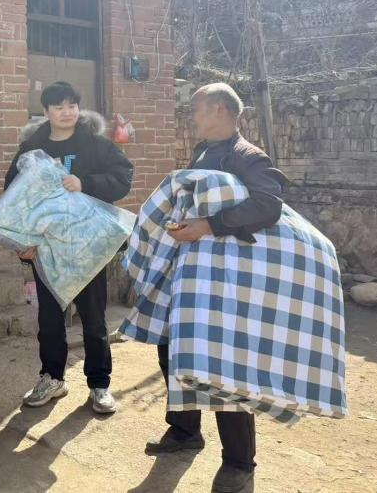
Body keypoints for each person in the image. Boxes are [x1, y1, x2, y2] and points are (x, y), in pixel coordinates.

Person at [146, 82, 287, 493]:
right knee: (173, 347)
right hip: (191, 272)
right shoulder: (204, 151)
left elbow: (268, 205)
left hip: (227, 280)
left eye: (198, 109)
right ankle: (185, 430)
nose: (193, 117)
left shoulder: (248, 156)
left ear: (221, 109)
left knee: (225, 363)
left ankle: (240, 463)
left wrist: (209, 225)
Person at [4, 81, 133, 415]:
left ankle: (99, 384)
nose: (67, 112)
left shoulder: (96, 145)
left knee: (94, 319)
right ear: (46, 111)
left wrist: (85, 183)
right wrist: (23, 241)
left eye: (72, 105)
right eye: (59, 107)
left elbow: (123, 177)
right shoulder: (32, 148)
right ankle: (52, 378)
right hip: (47, 247)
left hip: (88, 246)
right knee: (49, 319)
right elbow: (14, 196)